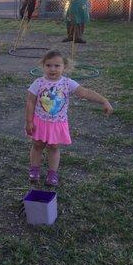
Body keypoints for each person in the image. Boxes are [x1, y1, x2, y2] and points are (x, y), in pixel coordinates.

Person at [25, 50, 113, 186]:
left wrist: (103, 100)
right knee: (37, 145)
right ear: (43, 66)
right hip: (40, 122)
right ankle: (34, 170)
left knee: (53, 147)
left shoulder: (67, 83)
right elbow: (30, 101)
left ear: (64, 67)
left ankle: (52, 173)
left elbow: (84, 92)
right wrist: (29, 121)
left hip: (57, 123)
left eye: (57, 66)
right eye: (48, 65)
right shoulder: (38, 82)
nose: (52, 69)